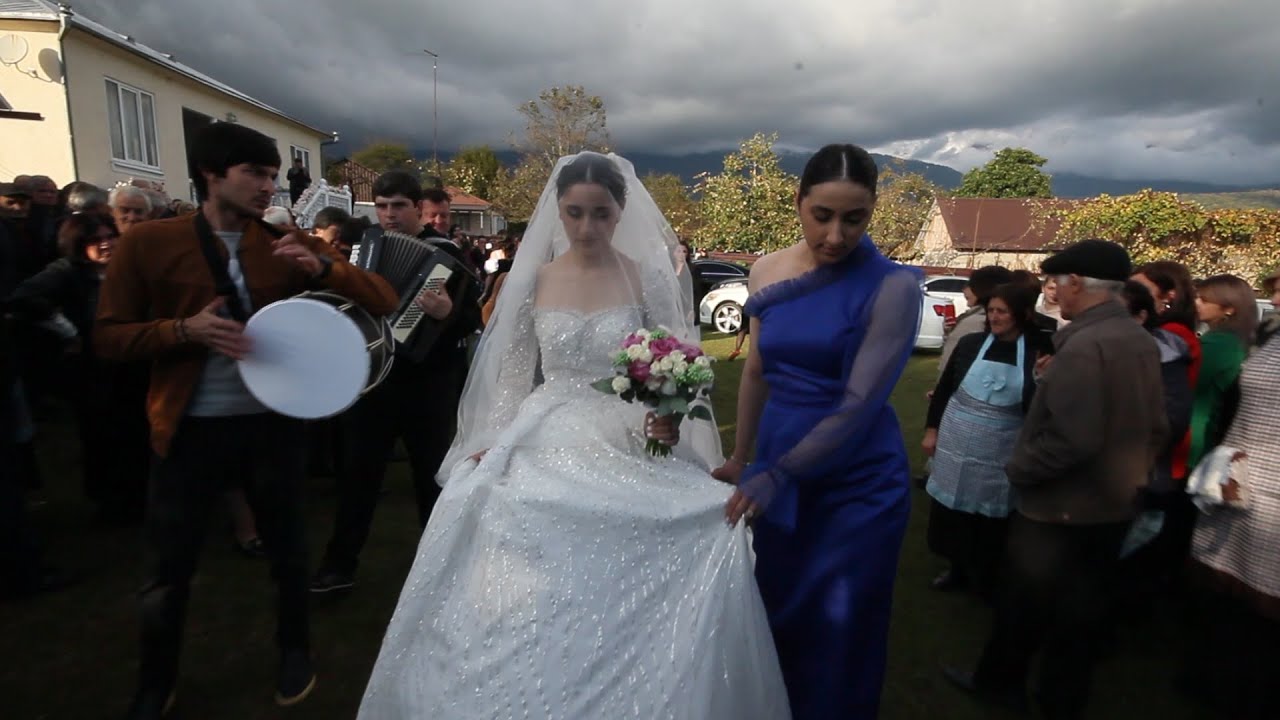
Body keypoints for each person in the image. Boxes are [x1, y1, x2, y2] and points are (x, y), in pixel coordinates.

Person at [356, 152, 789, 718]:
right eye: (575, 213)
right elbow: (512, 371)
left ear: (620, 211)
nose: (587, 227)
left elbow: (673, 359)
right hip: (547, 420)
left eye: (601, 214)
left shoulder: (644, 275)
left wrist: (669, 413)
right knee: (497, 504)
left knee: (690, 522)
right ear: (557, 211)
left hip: (627, 425)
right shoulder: (530, 279)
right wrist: (493, 436)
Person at [94, 121, 398, 718]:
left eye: (273, 176)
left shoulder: (283, 242)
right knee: (167, 566)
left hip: (273, 424)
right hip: (186, 426)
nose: (268, 188)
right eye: (254, 174)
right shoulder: (148, 243)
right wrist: (182, 330)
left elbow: (383, 299)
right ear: (212, 174)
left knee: (288, 550)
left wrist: (324, 269)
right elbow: (107, 338)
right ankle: (157, 679)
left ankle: (294, 651)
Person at [713, 144, 923, 719]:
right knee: (777, 608)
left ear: (873, 211)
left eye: (854, 218)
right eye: (822, 215)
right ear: (798, 202)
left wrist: (776, 472)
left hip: (857, 479)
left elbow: (860, 405)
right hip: (778, 462)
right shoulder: (766, 270)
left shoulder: (894, 288)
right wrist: (740, 456)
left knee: (840, 628)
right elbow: (756, 368)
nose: (836, 234)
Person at [945, 239, 1168, 720]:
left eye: (1055, 283)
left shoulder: (1087, 345)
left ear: (1077, 284)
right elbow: (1154, 425)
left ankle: (1001, 685)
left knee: (1023, 603)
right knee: (1081, 614)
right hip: (1111, 502)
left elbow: (1072, 439)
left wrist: (1019, 469)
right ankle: (1060, 699)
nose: (1052, 292)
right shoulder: (1134, 338)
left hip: (1061, 505)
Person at [311, 171, 482, 594]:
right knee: (358, 475)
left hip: (428, 382)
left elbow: (472, 321)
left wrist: (445, 314)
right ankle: (339, 564)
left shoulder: (446, 253)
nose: (389, 215)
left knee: (431, 476)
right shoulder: (364, 249)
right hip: (374, 380)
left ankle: (441, 564)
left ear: (418, 208)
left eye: (398, 206)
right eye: (383, 206)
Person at [8, 212, 151, 524]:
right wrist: (67, 330)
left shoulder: (128, 269)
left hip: (133, 364)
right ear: (76, 243)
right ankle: (111, 503)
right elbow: (22, 299)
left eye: (110, 236)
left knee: (137, 432)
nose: (105, 244)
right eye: (94, 240)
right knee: (101, 436)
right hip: (94, 370)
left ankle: (141, 497)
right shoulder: (65, 272)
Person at [924, 282, 1052, 599]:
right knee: (953, 512)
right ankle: (957, 568)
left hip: (1002, 446)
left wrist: (1040, 380)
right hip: (957, 441)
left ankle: (987, 575)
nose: (994, 317)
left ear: (1022, 314)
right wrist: (932, 430)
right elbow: (944, 390)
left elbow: (1042, 407)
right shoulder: (970, 344)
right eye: (991, 310)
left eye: (1002, 312)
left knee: (992, 518)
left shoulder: (1041, 349)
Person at [1189, 274, 1258, 467]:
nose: (1196, 303)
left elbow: (1190, 383)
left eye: (1204, 299)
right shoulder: (1237, 340)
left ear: (1228, 309)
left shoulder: (1218, 344)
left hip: (1195, 437)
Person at [938, 265, 1014, 376]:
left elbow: (950, 364)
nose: (965, 289)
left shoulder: (976, 322)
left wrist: (942, 390)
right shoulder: (1013, 322)